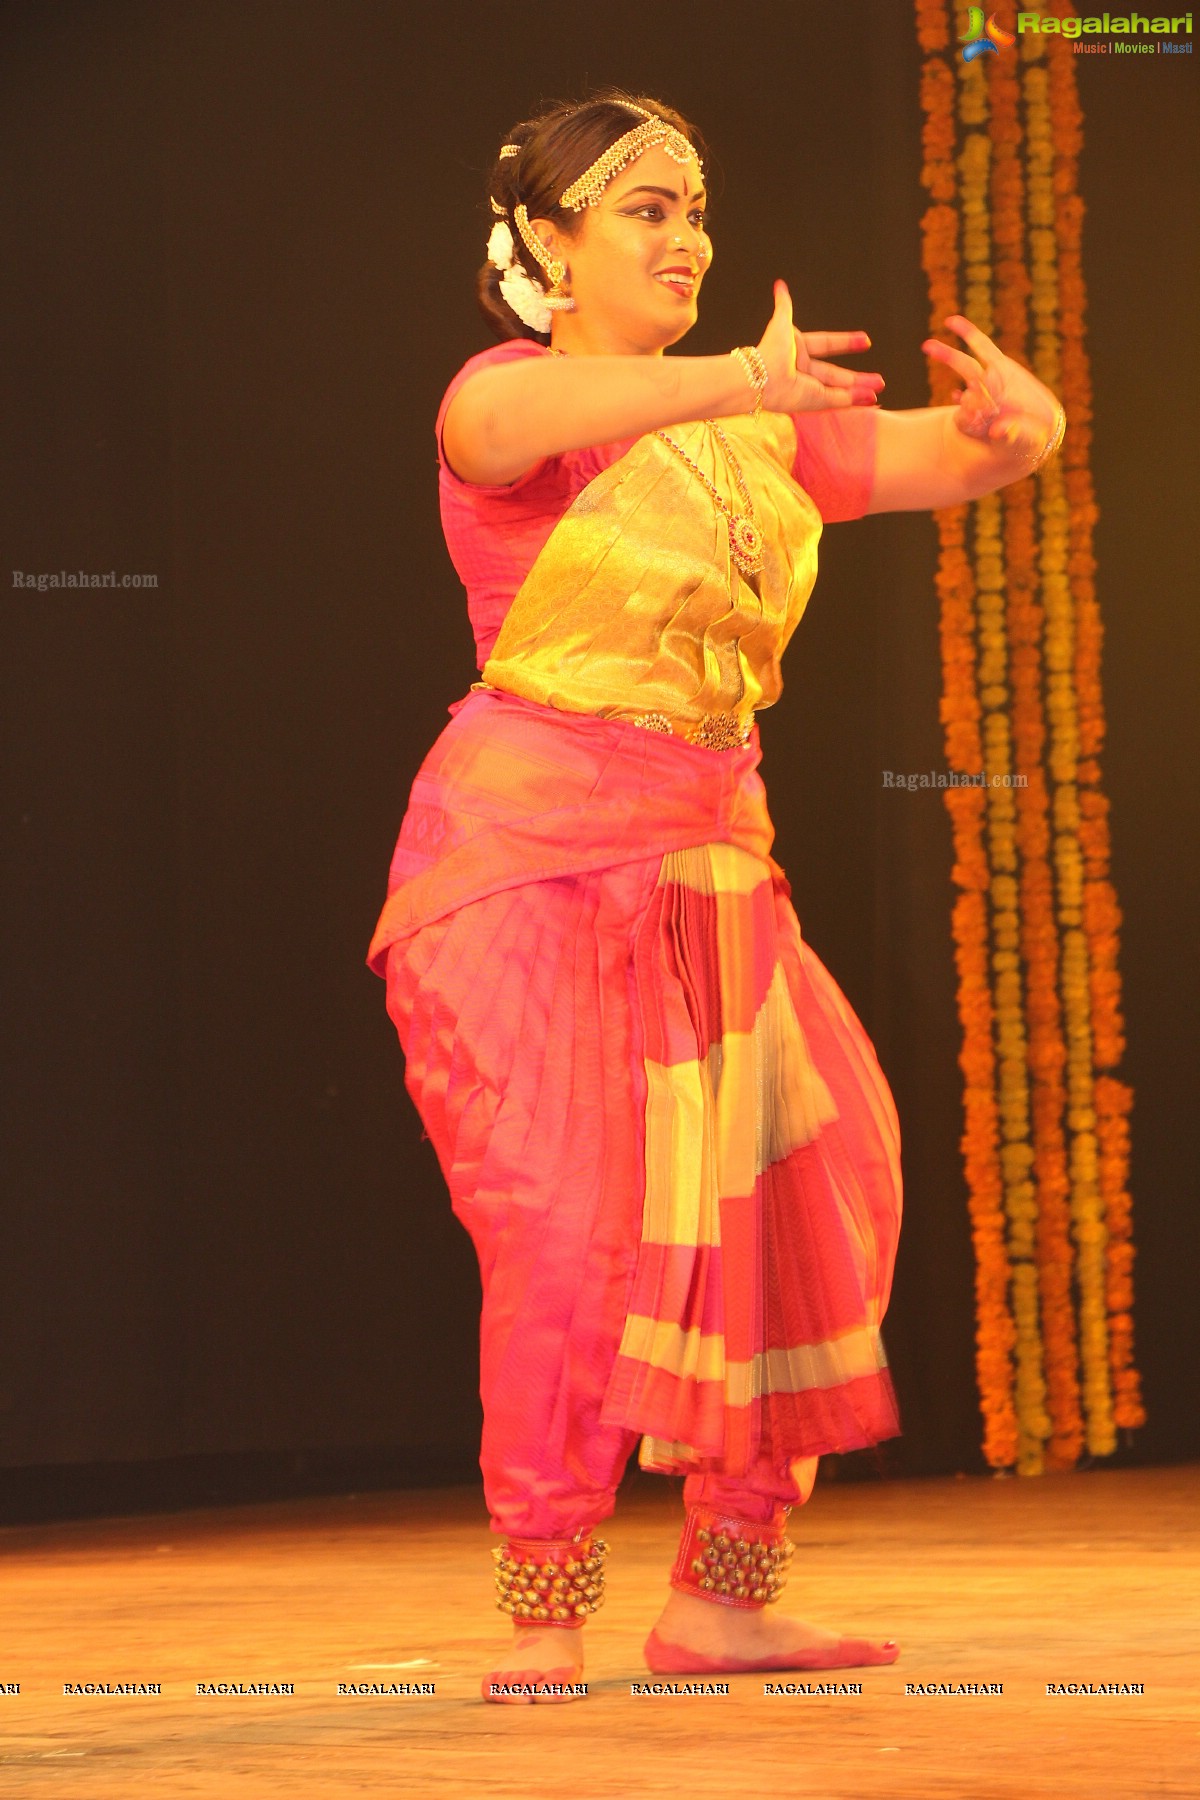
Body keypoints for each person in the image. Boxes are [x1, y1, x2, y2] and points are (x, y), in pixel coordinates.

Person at [366, 89, 1065, 1706]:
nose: (686, 239)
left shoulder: (762, 426)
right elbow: (487, 442)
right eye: (645, 211)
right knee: (566, 1230)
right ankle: (546, 1600)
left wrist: (1019, 437)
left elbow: (929, 457)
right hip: (522, 864)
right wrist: (734, 378)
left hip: (708, 863)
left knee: (825, 1187)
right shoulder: (513, 392)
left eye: (696, 210)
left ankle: (724, 1597)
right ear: (546, 239)